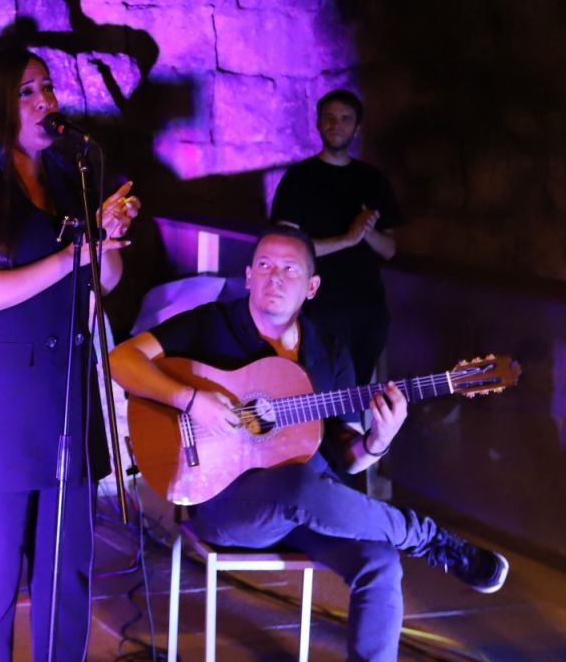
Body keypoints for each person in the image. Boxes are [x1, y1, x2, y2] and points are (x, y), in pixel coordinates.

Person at [109, 226, 507, 662]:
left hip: (309, 509)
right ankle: (427, 537)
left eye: (289, 269)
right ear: (247, 276)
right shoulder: (210, 323)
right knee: (297, 484)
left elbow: (346, 459)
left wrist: (378, 440)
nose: (274, 278)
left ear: (311, 287)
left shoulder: (329, 351)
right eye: (264, 265)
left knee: (380, 562)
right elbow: (120, 360)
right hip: (227, 505)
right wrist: (190, 399)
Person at [0, 47, 137, 662]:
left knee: (65, 579)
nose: (45, 99)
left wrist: (110, 237)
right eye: (27, 91)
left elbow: (105, 280)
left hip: (65, 400)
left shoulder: (68, 179)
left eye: (47, 86)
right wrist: (73, 256)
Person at [270, 89, 404, 383]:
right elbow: (285, 250)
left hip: (367, 310)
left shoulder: (372, 179)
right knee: (315, 391)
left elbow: (390, 249)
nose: (336, 125)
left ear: (356, 128)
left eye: (345, 119)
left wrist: (365, 233)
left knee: (355, 395)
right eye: (329, 118)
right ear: (318, 123)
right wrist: (347, 238)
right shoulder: (299, 179)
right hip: (317, 309)